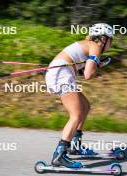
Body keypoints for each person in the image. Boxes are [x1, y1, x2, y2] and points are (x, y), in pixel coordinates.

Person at [45, 23, 113, 168]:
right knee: (76, 114)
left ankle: (74, 145)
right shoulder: (95, 46)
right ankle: (59, 155)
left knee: (85, 106)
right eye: (110, 39)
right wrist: (98, 65)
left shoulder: (89, 45)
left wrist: (96, 63)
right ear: (103, 38)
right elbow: (88, 75)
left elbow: (82, 72)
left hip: (60, 72)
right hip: (61, 74)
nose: (111, 43)